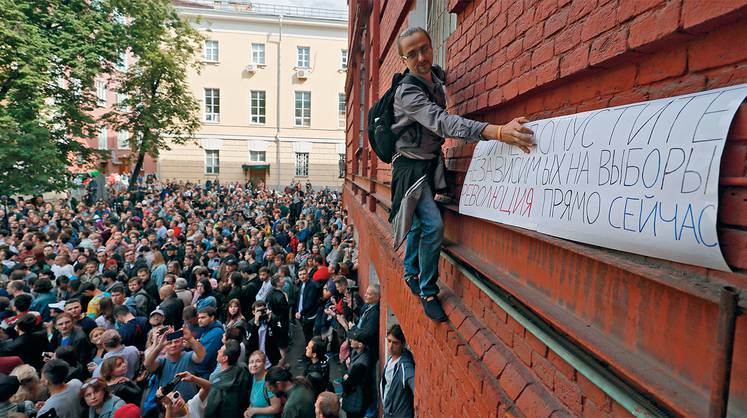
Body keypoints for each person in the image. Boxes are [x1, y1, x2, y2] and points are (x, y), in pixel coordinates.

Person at [390, 27, 533, 321]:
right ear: (403, 60)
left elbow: (439, 73)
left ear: (432, 47)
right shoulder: (407, 92)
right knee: (432, 225)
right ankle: (428, 290)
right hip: (410, 169)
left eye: (425, 49)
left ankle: (410, 272)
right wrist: (495, 132)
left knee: (418, 224)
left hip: (429, 164)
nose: (421, 58)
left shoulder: (433, 75)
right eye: (412, 54)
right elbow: (441, 123)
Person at [143, 326, 206, 415]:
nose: (173, 345)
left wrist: (191, 339)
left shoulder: (188, 356)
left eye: (176, 341)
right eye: (169, 343)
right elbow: (147, 364)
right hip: (168, 410)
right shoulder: (161, 361)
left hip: (190, 408)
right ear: (165, 346)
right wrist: (159, 346)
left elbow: (201, 355)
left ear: (181, 342)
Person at [204, 340, 251, 417]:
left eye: (220, 351)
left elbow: (210, 412)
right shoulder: (244, 369)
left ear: (225, 358)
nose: (218, 351)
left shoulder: (217, 384)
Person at [380, 324, 415, 418]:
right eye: (389, 341)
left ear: (403, 344)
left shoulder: (405, 365)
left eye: (395, 343)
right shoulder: (391, 359)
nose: (390, 346)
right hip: (388, 412)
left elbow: (414, 383)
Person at [341, 329, 373, 418]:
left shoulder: (361, 363)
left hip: (355, 400)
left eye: (354, 339)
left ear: (360, 344)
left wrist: (346, 376)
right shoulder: (357, 352)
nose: (351, 340)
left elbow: (348, 384)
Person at [244, 350, 281, 418]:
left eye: (258, 361)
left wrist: (254, 410)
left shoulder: (269, 381)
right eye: (251, 362)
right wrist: (249, 411)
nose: (254, 365)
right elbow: (254, 400)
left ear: (264, 364)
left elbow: (276, 408)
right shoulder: (254, 377)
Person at [246, 301, 283, 367]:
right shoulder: (250, 324)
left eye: (263, 310)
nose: (261, 313)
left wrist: (270, 322)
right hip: (257, 360)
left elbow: (279, 337)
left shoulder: (273, 319)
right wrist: (256, 324)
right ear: (253, 312)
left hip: (271, 358)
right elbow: (250, 343)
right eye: (258, 311)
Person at [194, 307, 224, 378]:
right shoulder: (206, 330)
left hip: (207, 374)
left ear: (212, 318)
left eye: (203, 317)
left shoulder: (216, 333)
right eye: (199, 318)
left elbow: (202, 357)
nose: (199, 320)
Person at [295, 267, 319, 346]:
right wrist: (296, 311)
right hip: (302, 314)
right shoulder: (302, 283)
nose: (302, 276)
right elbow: (299, 299)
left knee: (308, 336)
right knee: (306, 335)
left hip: (309, 315)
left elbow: (310, 302)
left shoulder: (312, 285)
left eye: (304, 274)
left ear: (307, 274)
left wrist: (300, 313)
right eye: (300, 275)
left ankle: (308, 353)